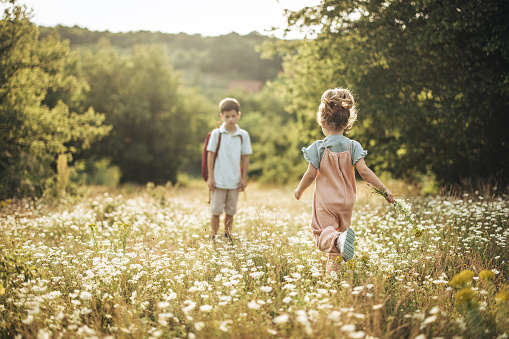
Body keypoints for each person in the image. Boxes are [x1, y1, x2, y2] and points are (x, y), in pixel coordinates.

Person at [294, 88, 395, 273]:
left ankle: (338, 242)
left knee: (322, 236)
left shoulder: (319, 147)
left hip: (326, 203)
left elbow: (310, 174)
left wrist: (299, 190)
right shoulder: (353, 146)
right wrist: (385, 190)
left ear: (322, 122)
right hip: (347, 203)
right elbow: (365, 172)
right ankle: (334, 280)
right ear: (347, 122)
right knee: (338, 246)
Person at [206, 98, 252, 242]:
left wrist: (244, 178)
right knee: (216, 211)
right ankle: (213, 236)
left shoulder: (243, 135)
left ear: (239, 115)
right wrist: (210, 177)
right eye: (227, 116)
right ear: (221, 117)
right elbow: (210, 155)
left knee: (231, 211)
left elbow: (245, 157)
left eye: (233, 116)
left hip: (235, 180)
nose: (230, 119)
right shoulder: (217, 134)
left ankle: (227, 235)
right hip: (219, 180)